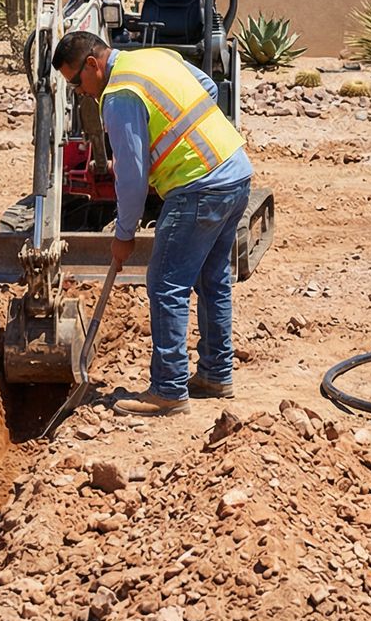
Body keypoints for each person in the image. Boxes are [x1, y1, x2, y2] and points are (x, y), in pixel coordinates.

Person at [51, 31, 253, 417]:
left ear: (92, 64)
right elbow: (208, 87)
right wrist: (178, 136)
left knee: (165, 283)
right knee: (212, 278)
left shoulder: (119, 96)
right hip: (234, 170)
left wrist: (123, 235)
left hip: (198, 185)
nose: (79, 92)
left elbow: (131, 178)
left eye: (77, 82)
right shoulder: (152, 58)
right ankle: (215, 373)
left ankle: (168, 389)